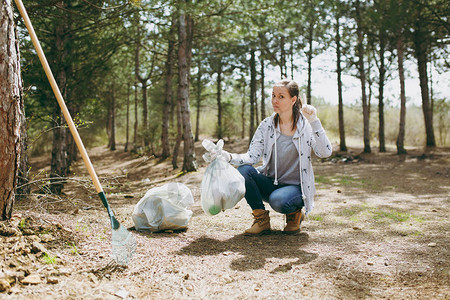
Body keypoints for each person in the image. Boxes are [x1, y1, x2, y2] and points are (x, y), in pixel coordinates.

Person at [221, 79, 332, 235]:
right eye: (273, 95)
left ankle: (294, 214)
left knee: (278, 200)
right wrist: (229, 156)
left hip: (295, 189)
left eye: (281, 96)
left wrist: (314, 121)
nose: (275, 100)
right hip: (270, 183)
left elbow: (325, 152)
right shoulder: (267, 125)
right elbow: (252, 156)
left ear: (293, 100)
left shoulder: (306, 126)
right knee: (244, 171)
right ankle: (262, 221)